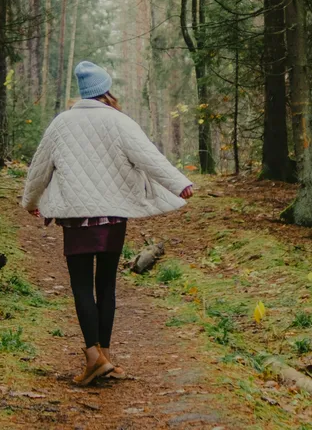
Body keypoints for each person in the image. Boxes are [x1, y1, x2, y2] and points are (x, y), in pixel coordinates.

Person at [21, 60, 193, 386]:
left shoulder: (61, 123)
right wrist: (179, 183)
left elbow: (39, 167)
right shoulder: (118, 122)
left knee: (83, 286)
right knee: (107, 286)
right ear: (105, 90)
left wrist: (31, 202)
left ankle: (94, 358)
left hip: (76, 219)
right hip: (113, 218)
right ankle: (104, 357)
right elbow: (149, 156)